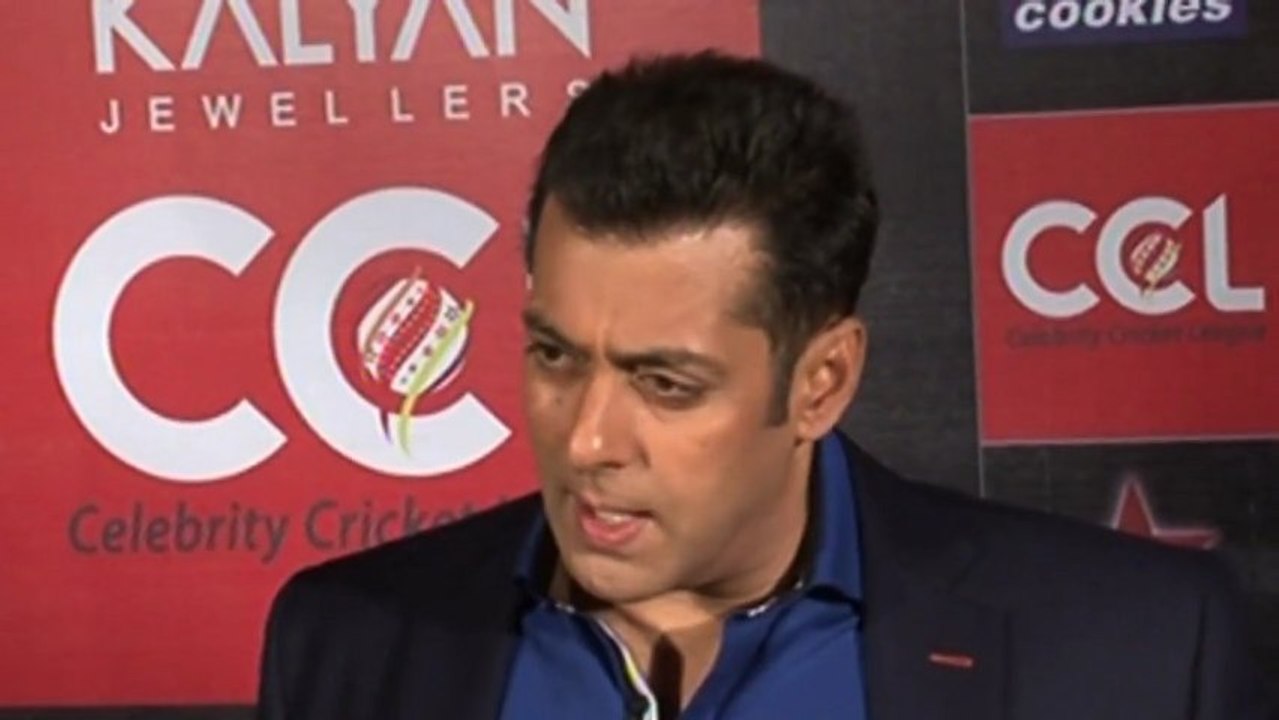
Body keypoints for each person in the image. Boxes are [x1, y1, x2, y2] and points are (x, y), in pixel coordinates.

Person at [255, 52, 1274, 720]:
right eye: (555, 356)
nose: (587, 442)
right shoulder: (348, 642)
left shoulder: (1136, 651)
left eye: (665, 383)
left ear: (822, 382)